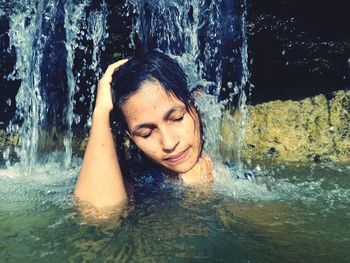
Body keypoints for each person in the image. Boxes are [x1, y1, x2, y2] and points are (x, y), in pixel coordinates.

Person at [74, 51, 213, 210]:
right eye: (146, 133)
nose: (169, 143)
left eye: (177, 118)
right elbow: (99, 217)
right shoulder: (138, 185)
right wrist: (101, 112)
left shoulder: (237, 175)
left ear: (195, 104)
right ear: (130, 136)